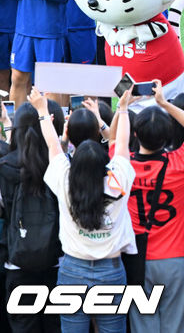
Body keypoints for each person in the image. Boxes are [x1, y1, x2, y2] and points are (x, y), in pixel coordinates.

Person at [34, 87, 135, 333]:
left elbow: (53, 145)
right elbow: (121, 144)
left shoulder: (65, 180)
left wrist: (42, 110)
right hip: (111, 271)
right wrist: (121, 108)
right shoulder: (117, 179)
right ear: (105, 164)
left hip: (73, 271)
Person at [0, 100, 62, 333]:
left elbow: (0, 206)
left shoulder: (4, 165)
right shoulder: (58, 163)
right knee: (55, 326)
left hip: (17, 260)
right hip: (55, 259)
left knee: (24, 326)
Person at [126, 81, 184, 332]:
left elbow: (115, 141)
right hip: (174, 257)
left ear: (135, 134)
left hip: (136, 256)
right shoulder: (178, 166)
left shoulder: (122, 166)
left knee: (142, 324)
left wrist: (122, 109)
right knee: (174, 324)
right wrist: (164, 103)